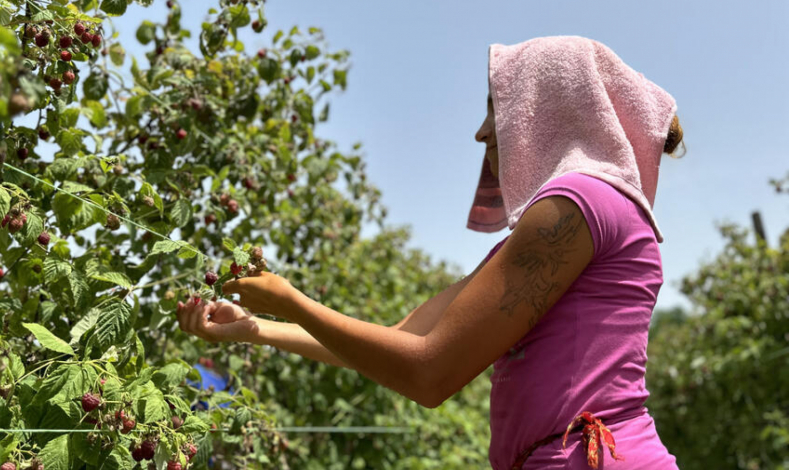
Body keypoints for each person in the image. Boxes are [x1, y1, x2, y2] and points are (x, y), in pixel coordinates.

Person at [177, 36, 685, 469]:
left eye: (497, 107)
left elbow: (428, 372)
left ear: (548, 106)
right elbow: (399, 341)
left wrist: (289, 300)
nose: (482, 130)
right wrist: (257, 327)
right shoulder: (560, 222)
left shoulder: (578, 202)